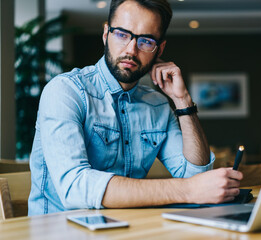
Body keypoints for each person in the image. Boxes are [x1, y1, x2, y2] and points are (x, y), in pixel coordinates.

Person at [28, 0, 243, 216]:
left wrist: (182, 100)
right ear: (106, 34)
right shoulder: (65, 91)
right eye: (122, 34)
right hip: (57, 231)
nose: (131, 50)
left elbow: (196, 174)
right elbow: (75, 187)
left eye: (146, 41)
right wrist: (187, 190)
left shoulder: (157, 105)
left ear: (159, 49)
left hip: (128, 229)